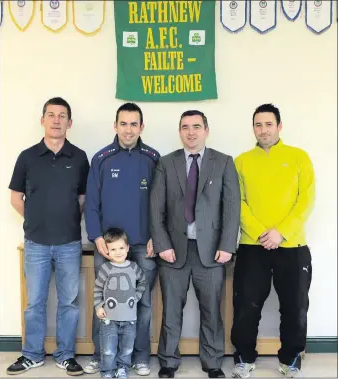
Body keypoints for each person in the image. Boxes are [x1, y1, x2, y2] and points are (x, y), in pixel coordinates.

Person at [150, 110, 241, 379]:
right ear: (179, 131)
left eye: (196, 126)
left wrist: (227, 245)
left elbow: (232, 207)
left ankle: (212, 362)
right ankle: (168, 361)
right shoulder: (166, 163)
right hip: (173, 251)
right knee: (171, 309)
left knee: (211, 309)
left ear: (206, 130)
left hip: (212, 251)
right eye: (185, 127)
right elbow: (155, 209)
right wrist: (162, 243)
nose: (191, 132)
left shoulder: (223, 162)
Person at [6, 97, 90, 376]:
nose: (56, 120)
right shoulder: (27, 157)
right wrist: (35, 220)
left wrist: (65, 219)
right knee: (35, 303)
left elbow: (83, 198)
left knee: (68, 302)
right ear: (42, 120)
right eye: (51, 115)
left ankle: (66, 355)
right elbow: (15, 197)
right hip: (36, 243)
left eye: (62, 115)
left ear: (70, 123)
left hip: (68, 242)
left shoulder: (79, 157)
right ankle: (32, 355)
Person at [230, 104, 315, 379]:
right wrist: (259, 233)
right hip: (252, 246)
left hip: (292, 246)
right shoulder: (241, 161)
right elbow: (237, 202)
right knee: (246, 305)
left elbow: (306, 200)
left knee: (295, 306)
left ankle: (290, 360)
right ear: (253, 128)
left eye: (268, 124)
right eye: (258, 124)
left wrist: (281, 232)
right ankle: (244, 358)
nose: (263, 129)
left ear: (279, 126)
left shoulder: (299, 158)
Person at [84, 102, 160, 376]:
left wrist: (156, 237)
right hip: (108, 247)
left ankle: (140, 357)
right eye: (123, 123)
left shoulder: (153, 158)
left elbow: (160, 203)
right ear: (115, 126)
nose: (128, 130)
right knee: (103, 302)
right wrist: (96, 237)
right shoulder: (101, 158)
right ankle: (99, 355)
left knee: (141, 303)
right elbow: (91, 203)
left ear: (142, 126)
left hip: (143, 246)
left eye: (134, 124)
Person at [94, 228, 147, 378]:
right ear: (107, 251)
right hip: (109, 319)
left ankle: (122, 368)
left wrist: (136, 296)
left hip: (130, 318)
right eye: (113, 249)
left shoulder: (133, 267)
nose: (118, 252)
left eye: (121, 248)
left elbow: (143, 281)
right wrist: (98, 306)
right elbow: (97, 289)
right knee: (108, 349)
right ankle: (108, 371)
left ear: (128, 248)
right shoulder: (105, 268)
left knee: (127, 348)